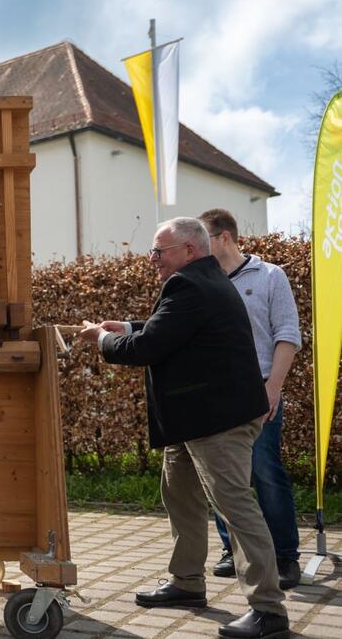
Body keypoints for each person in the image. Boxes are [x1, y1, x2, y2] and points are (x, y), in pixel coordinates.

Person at [78, 217, 288, 639]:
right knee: (180, 495)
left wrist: (103, 339)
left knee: (234, 506)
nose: (152, 259)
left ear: (189, 250)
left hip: (218, 419)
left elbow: (148, 348)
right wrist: (129, 327)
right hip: (196, 418)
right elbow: (173, 330)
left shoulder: (189, 284)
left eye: (159, 251)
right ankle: (187, 583)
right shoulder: (203, 280)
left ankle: (269, 610)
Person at [200, 209, 303, 589]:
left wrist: (273, 388)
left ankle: (285, 556)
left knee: (265, 471)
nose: (198, 248)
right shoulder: (202, 282)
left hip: (259, 391)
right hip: (214, 395)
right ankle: (233, 549)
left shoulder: (270, 276)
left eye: (204, 239)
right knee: (222, 476)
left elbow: (287, 334)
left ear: (224, 237)